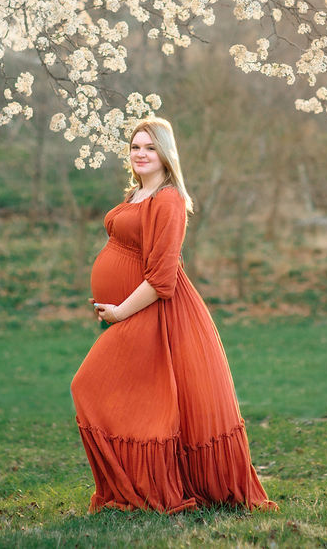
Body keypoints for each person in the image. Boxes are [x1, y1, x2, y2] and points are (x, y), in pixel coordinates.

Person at [70, 117, 277, 513]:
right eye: (135, 147)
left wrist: (119, 313)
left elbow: (162, 279)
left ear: (166, 155)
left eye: (150, 147)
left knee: (91, 386)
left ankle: (150, 488)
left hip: (153, 312)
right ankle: (133, 487)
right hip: (130, 311)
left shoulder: (168, 200)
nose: (141, 154)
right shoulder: (136, 194)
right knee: (141, 402)